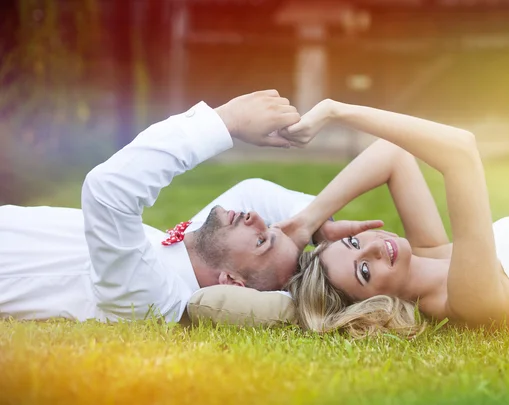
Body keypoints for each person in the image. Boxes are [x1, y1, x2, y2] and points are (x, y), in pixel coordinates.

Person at [0, 90, 380, 324]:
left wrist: (225, 120)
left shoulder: (154, 295)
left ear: (231, 281)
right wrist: (313, 224)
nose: (254, 217)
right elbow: (254, 190)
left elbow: (108, 191)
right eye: (272, 227)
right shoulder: (180, 256)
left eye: (262, 239)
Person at [280, 99, 509, 338]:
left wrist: (307, 221)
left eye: (352, 243)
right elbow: (460, 152)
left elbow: (393, 154)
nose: (373, 248)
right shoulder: (467, 299)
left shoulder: (433, 255)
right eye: (364, 271)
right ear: (373, 306)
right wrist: (335, 111)